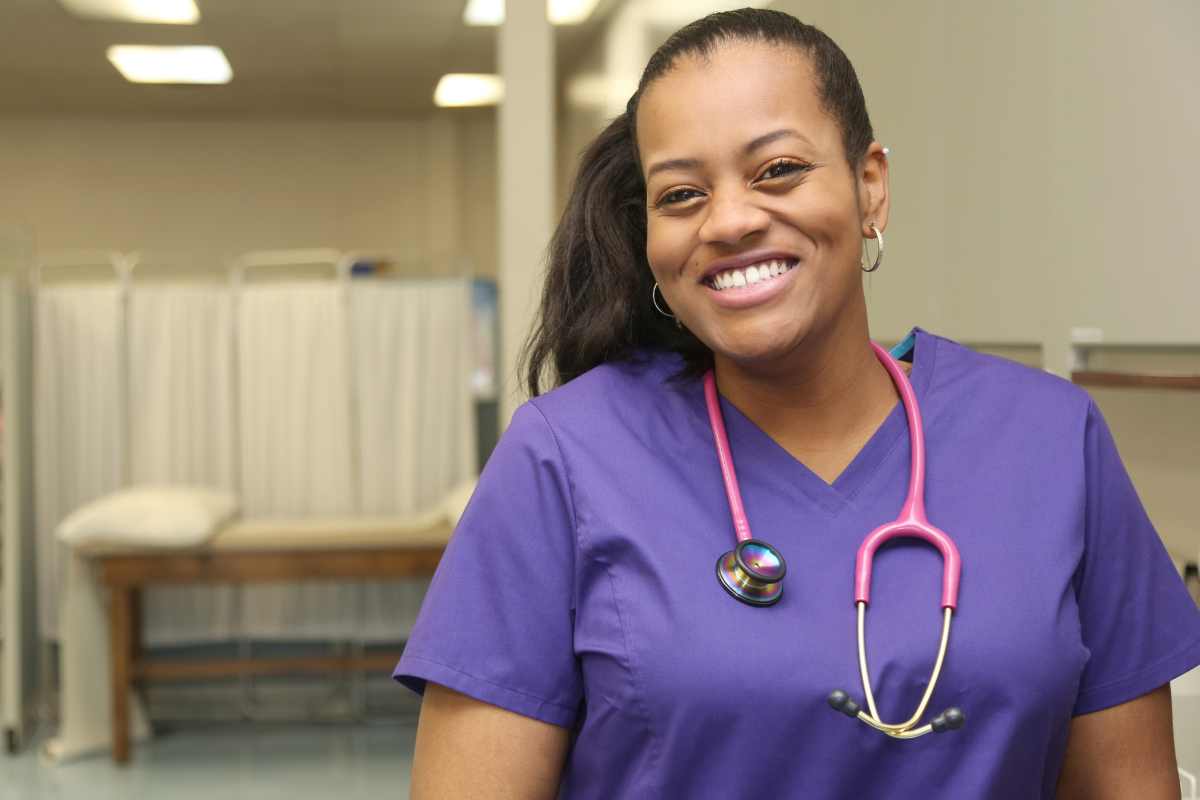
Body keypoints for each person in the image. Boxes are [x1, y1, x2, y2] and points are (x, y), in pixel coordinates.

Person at [395, 8, 1200, 798]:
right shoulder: (564, 460)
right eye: (681, 195)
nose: (732, 220)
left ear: (870, 187)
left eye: (777, 170)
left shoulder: (1049, 440)